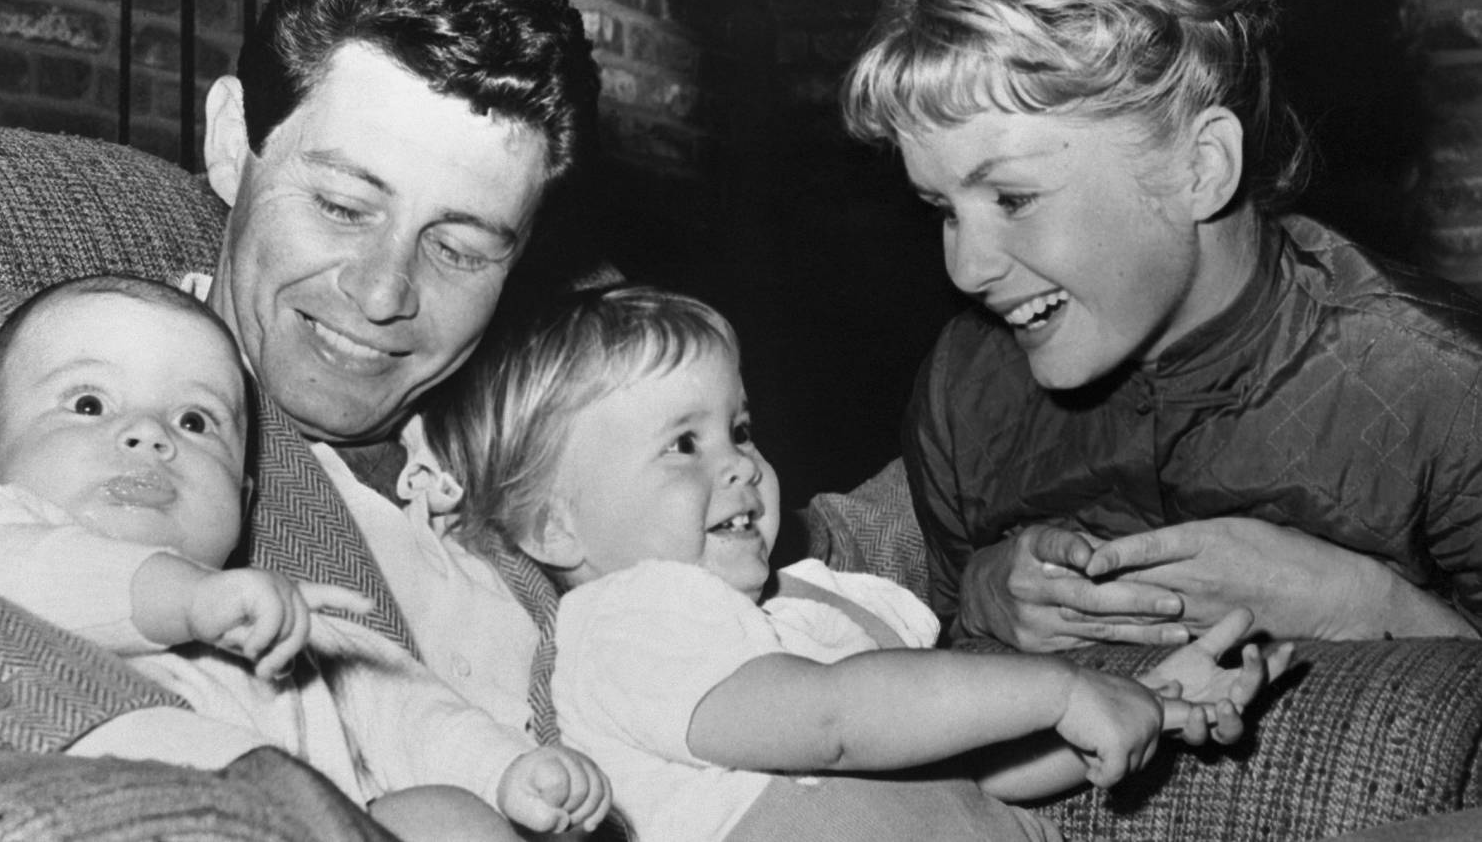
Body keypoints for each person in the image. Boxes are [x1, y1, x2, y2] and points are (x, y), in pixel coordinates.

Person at [0, 0, 602, 835]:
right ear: (234, 141)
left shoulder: (528, 432)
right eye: (344, 204)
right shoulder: (80, 404)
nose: (385, 291)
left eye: (462, 248)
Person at [838, 0, 1482, 654]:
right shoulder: (964, 387)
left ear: (1200, 168)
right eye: (942, 209)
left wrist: (1363, 604)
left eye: (1013, 199)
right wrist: (976, 601)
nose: (966, 271)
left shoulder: (1446, 392)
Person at [426, 283, 1291, 842]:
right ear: (555, 527)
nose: (736, 463)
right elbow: (831, 720)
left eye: (740, 428)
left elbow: (982, 765)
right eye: (681, 444)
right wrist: (1062, 686)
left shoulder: (822, 602)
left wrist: (1147, 706)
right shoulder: (628, 623)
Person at [0, 274, 611, 841]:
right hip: (101, 802)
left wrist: (507, 771)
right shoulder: (1, 529)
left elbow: (411, 713)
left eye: (196, 421)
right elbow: (36, 566)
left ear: (242, 496)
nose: (150, 434)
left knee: (444, 814)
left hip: (307, 821)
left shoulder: (294, 632)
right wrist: (187, 598)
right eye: (88, 404)